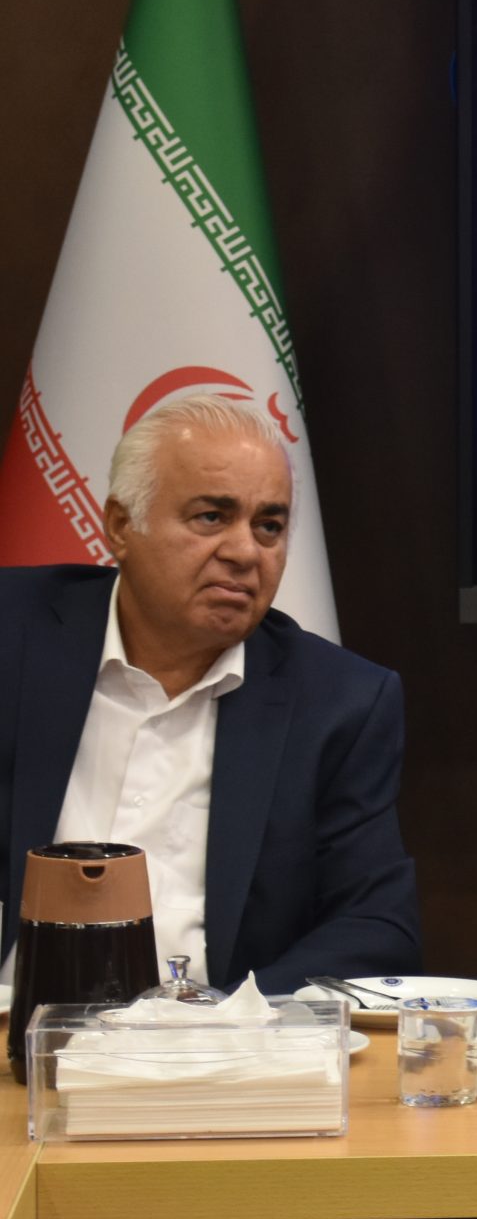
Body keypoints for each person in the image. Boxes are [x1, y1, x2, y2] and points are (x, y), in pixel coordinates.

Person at [0, 395, 420, 991]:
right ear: (120, 526)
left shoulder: (339, 703)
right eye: (211, 517)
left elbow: (377, 927)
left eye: (269, 526)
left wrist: (230, 1018)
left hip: (210, 1037)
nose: (245, 552)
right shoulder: (12, 636)